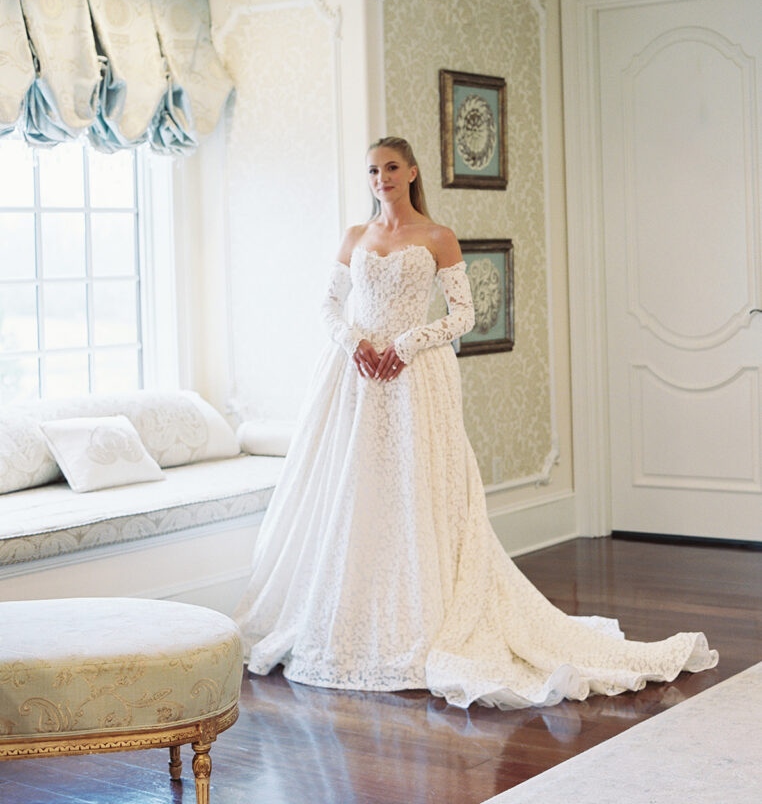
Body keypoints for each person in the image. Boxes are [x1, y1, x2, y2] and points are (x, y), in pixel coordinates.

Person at [233, 136, 717, 709]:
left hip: (414, 380)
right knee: (355, 495)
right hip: (355, 381)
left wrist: (409, 342)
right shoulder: (356, 237)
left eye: (391, 167)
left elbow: (466, 314)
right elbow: (327, 306)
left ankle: (425, 616)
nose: (381, 178)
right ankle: (350, 620)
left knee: (418, 493)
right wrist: (353, 340)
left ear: (412, 173)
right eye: (372, 170)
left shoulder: (436, 237)